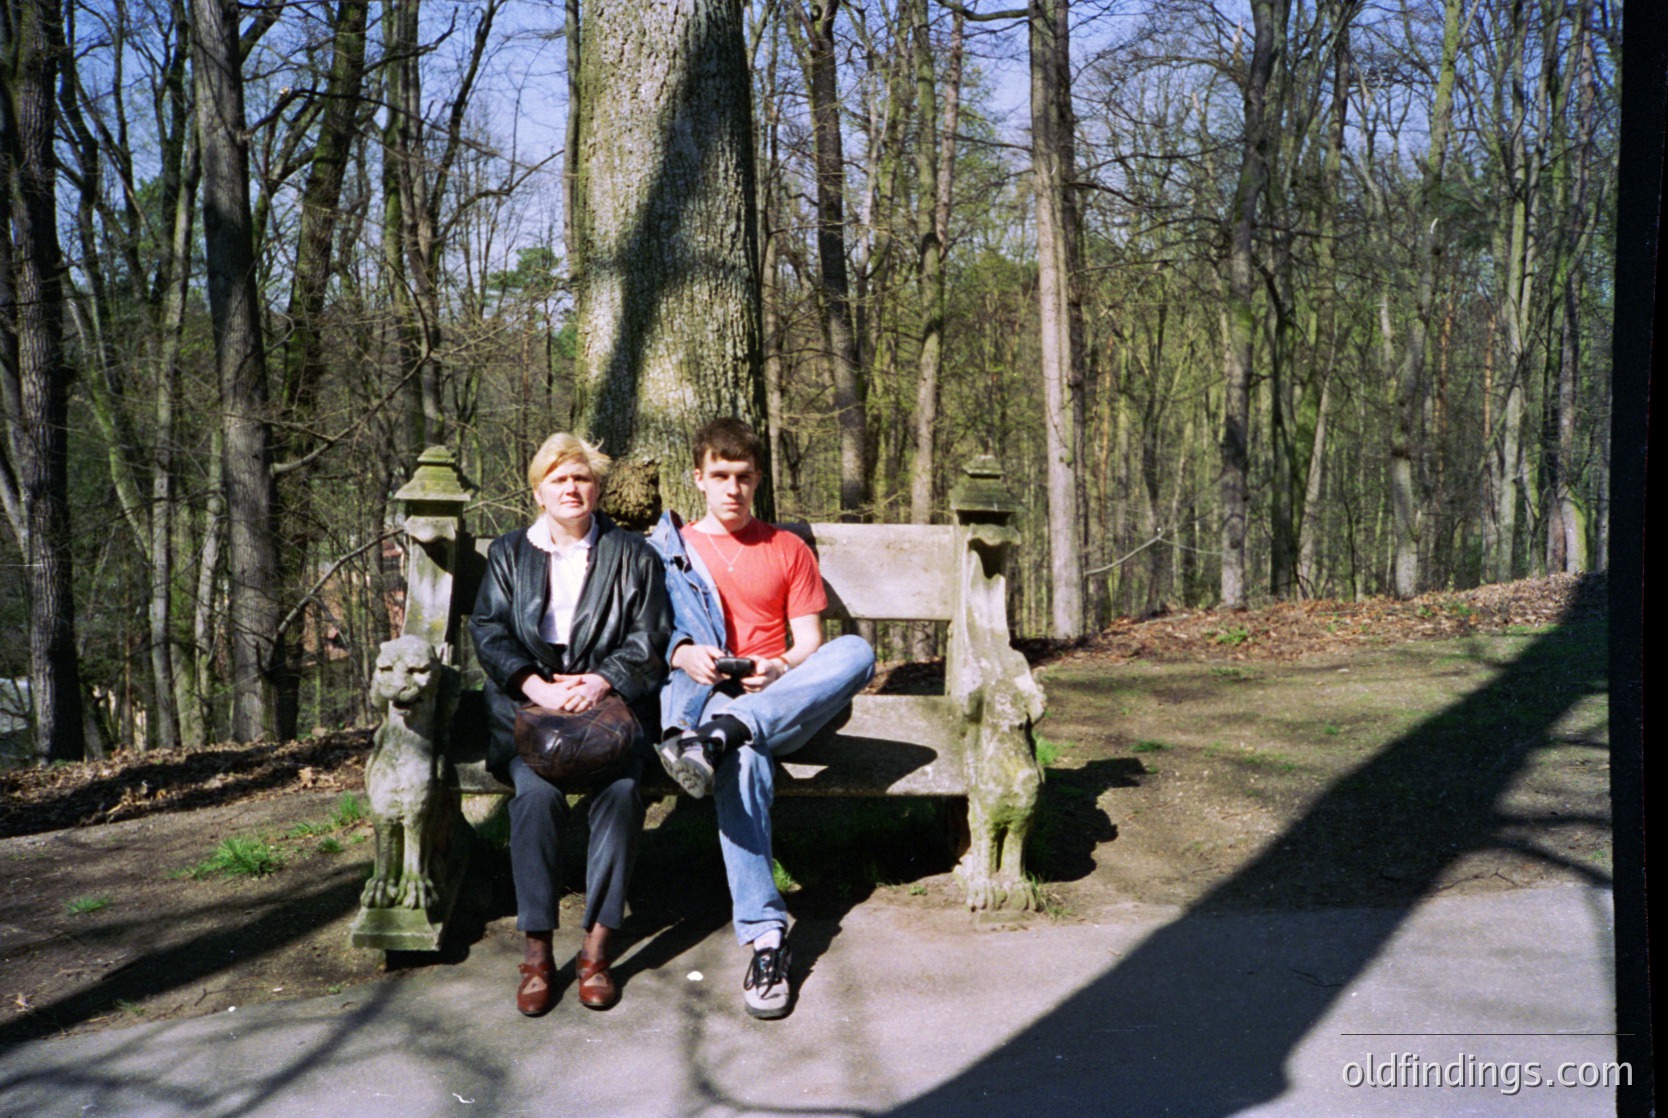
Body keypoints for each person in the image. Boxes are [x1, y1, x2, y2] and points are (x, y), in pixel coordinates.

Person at [649, 417, 875, 1020]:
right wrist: (680, 652)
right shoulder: (671, 553)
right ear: (698, 478)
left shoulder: (787, 549)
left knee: (857, 652)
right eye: (719, 476)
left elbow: (810, 644)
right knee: (742, 757)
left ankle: (728, 733)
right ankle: (768, 941)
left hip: (784, 698)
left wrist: (778, 667)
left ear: (758, 480)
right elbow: (644, 634)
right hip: (713, 702)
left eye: (743, 477)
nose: (732, 489)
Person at [471, 433, 671, 1016]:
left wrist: (600, 680)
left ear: (597, 487)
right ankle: (536, 952)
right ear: (538, 492)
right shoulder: (509, 554)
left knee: (624, 794)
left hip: (608, 712)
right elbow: (489, 630)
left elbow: (650, 637)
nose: (572, 489)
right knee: (533, 801)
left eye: (581, 478)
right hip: (530, 710)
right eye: (558, 479)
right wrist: (532, 683)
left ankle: (597, 950)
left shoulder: (633, 555)